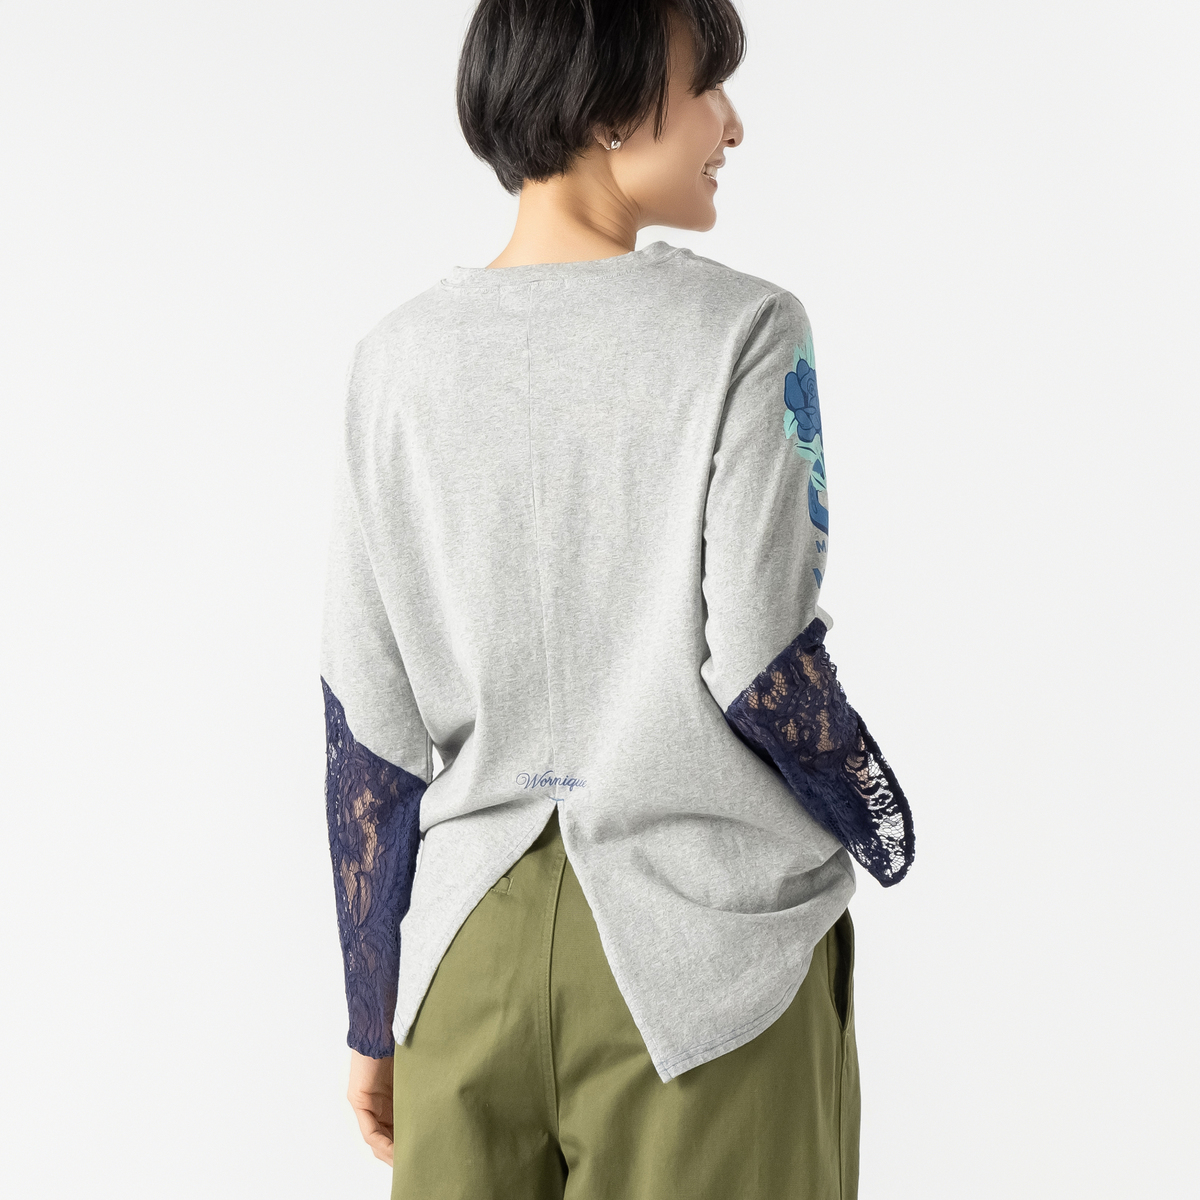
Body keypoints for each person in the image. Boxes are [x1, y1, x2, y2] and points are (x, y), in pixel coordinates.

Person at [319, 1, 915, 1196]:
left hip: (462, 963)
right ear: (605, 108)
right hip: (703, 961)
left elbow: (367, 726)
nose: (730, 125)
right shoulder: (745, 329)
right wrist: (881, 821)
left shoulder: (392, 361)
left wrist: (373, 1010)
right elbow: (762, 660)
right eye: (707, 88)